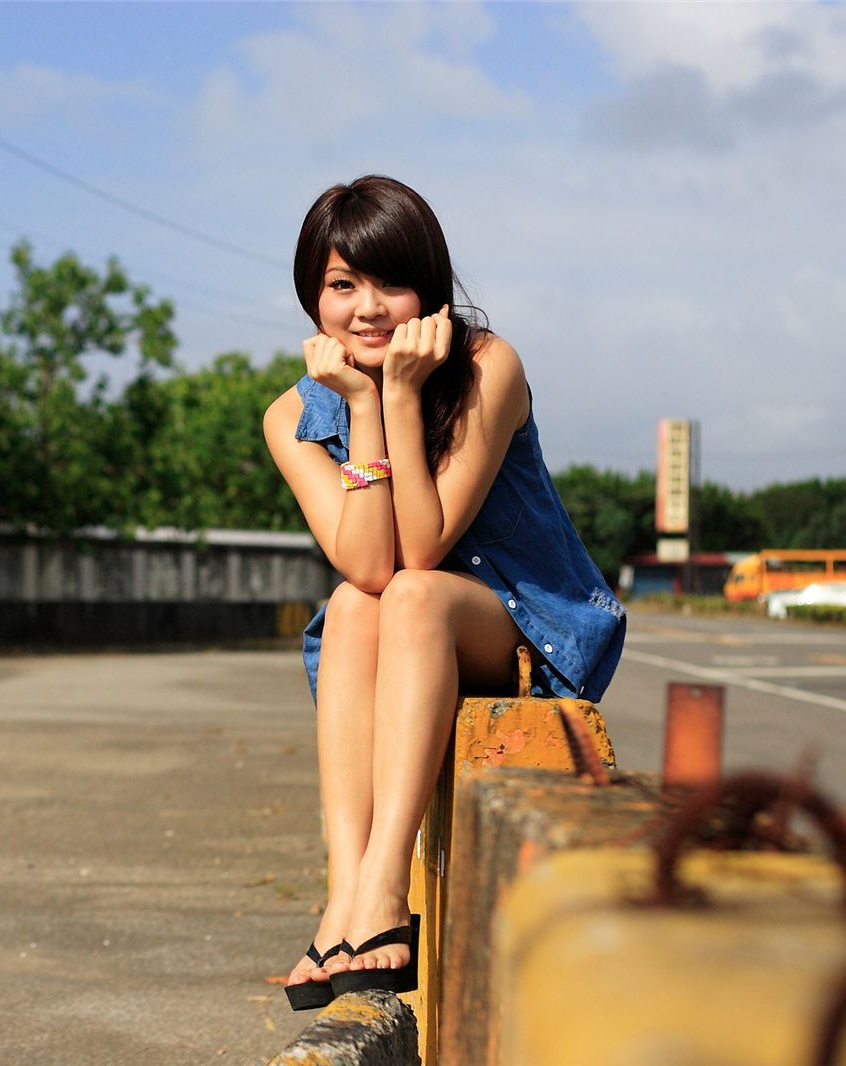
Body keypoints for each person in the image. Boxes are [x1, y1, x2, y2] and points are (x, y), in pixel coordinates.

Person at [263, 176, 626, 1010]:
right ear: (313, 298)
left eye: (391, 282)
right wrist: (361, 404)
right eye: (342, 285)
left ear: (430, 286)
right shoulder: (292, 416)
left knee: (415, 595)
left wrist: (398, 391)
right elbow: (367, 566)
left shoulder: (488, 366)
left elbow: (422, 549)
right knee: (355, 603)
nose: (368, 308)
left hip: (528, 627)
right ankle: (344, 900)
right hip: (399, 627)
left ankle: (384, 889)